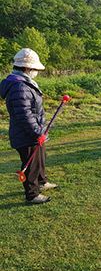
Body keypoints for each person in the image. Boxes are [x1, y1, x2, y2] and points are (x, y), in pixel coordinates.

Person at [0, 48, 58, 204]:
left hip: (33, 132)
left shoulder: (24, 82)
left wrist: (40, 132)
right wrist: (38, 132)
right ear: (26, 68)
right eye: (34, 69)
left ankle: (42, 182)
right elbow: (25, 115)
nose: (36, 72)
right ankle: (32, 195)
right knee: (31, 165)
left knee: (40, 159)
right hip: (27, 134)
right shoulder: (19, 87)